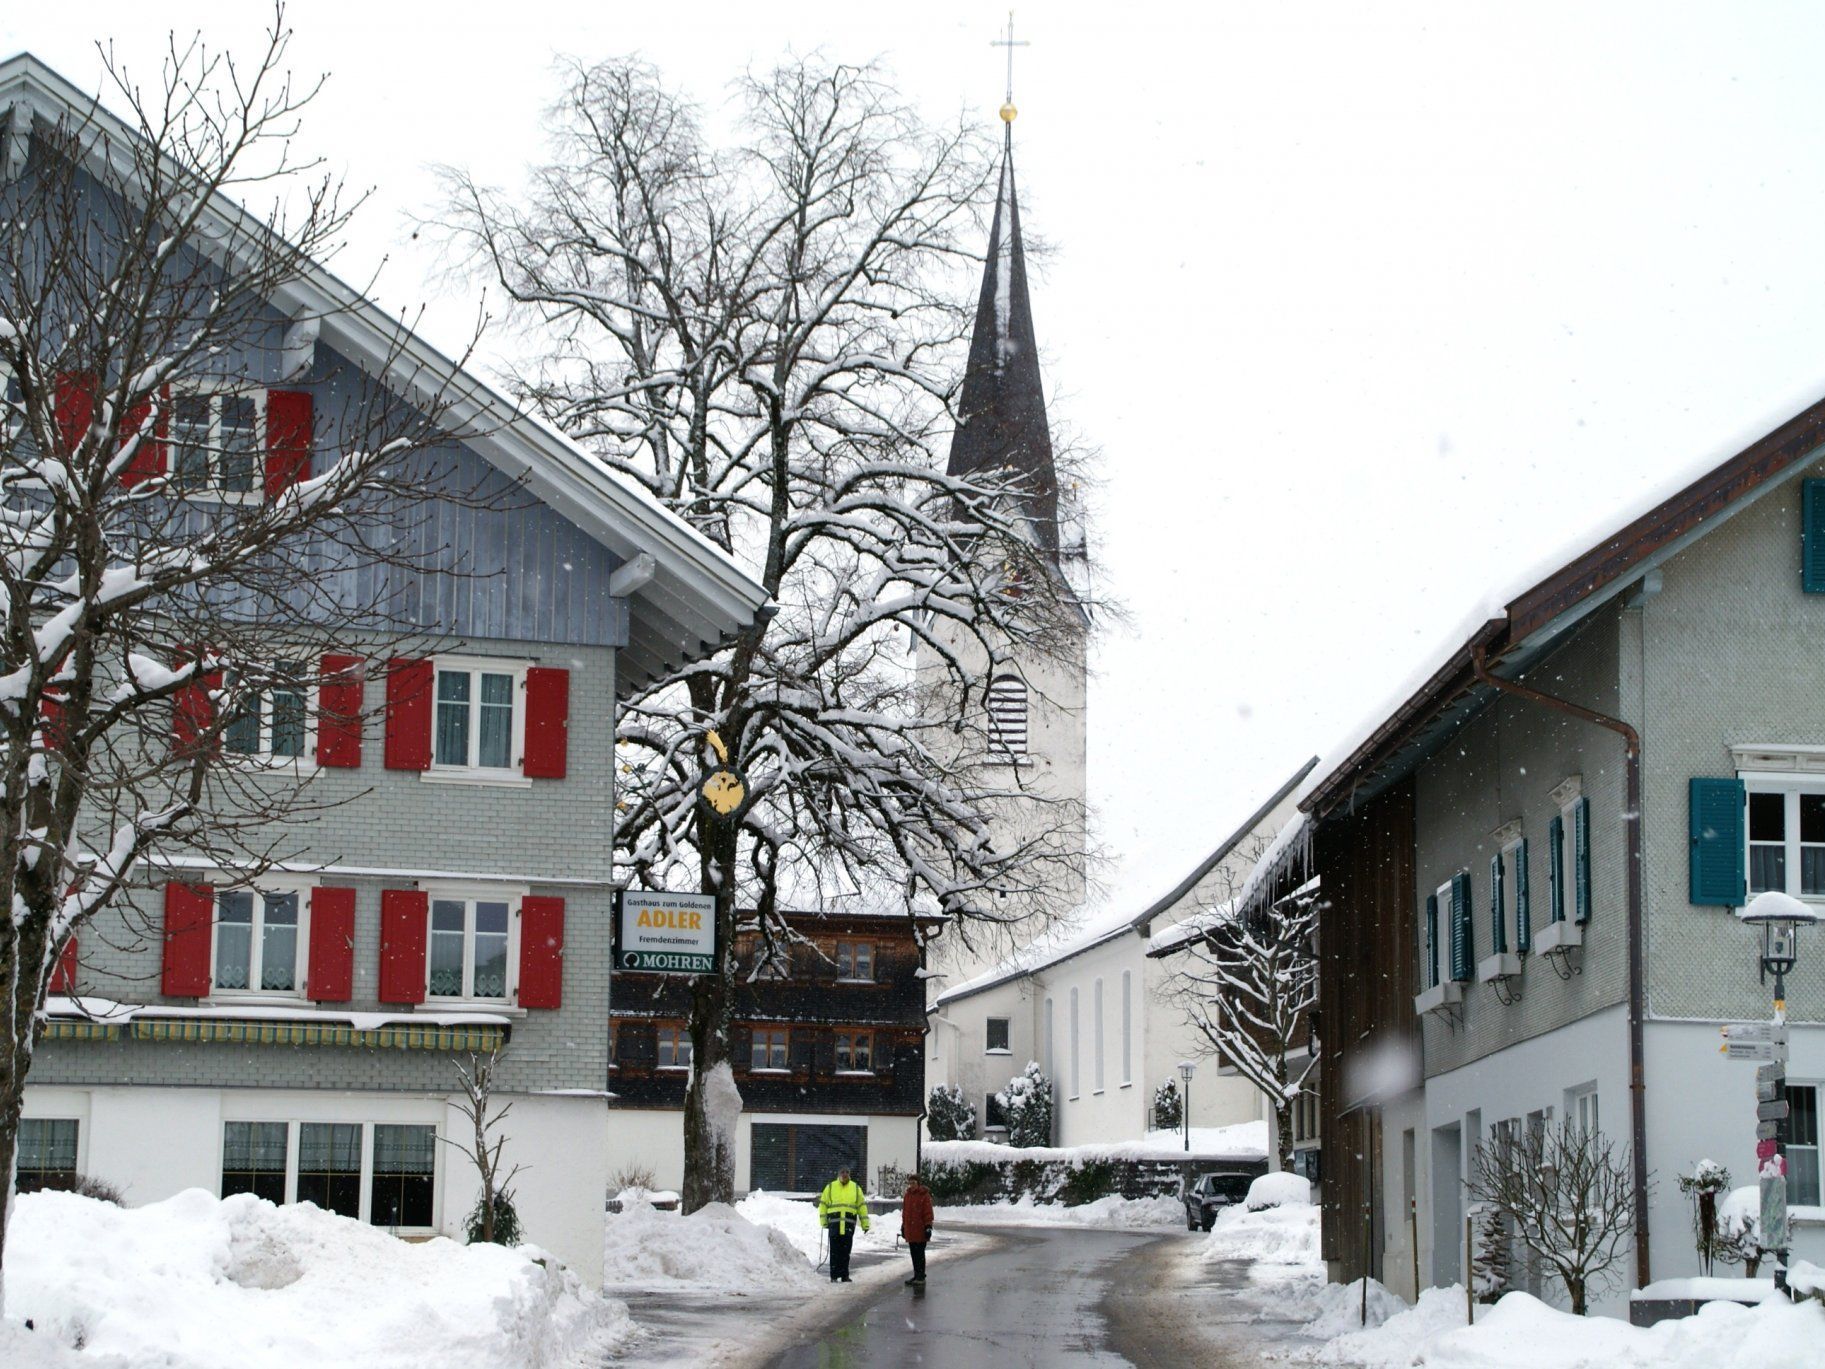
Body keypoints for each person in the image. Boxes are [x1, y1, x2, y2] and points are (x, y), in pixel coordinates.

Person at [817, 1165, 871, 1282]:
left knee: (846, 1252)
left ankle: (845, 1275)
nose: (844, 1174)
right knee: (835, 1252)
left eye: (846, 1172)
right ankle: (834, 1276)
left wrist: (865, 1224)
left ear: (849, 1174)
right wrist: (824, 1221)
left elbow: (862, 1207)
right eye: (842, 1172)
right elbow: (823, 1205)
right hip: (834, 1226)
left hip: (848, 1226)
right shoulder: (830, 1187)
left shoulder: (855, 1188)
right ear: (838, 1174)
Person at [900, 1170, 934, 1285]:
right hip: (910, 1229)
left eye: (914, 1182)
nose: (911, 1185)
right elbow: (905, 1213)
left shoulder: (924, 1195)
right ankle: (916, 1275)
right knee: (913, 1254)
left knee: (920, 1253)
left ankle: (921, 1275)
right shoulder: (907, 1195)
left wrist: (928, 1226)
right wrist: (903, 1226)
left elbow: (928, 1213)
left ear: (918, 1183)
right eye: (910, 1183)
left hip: (920, 1230)